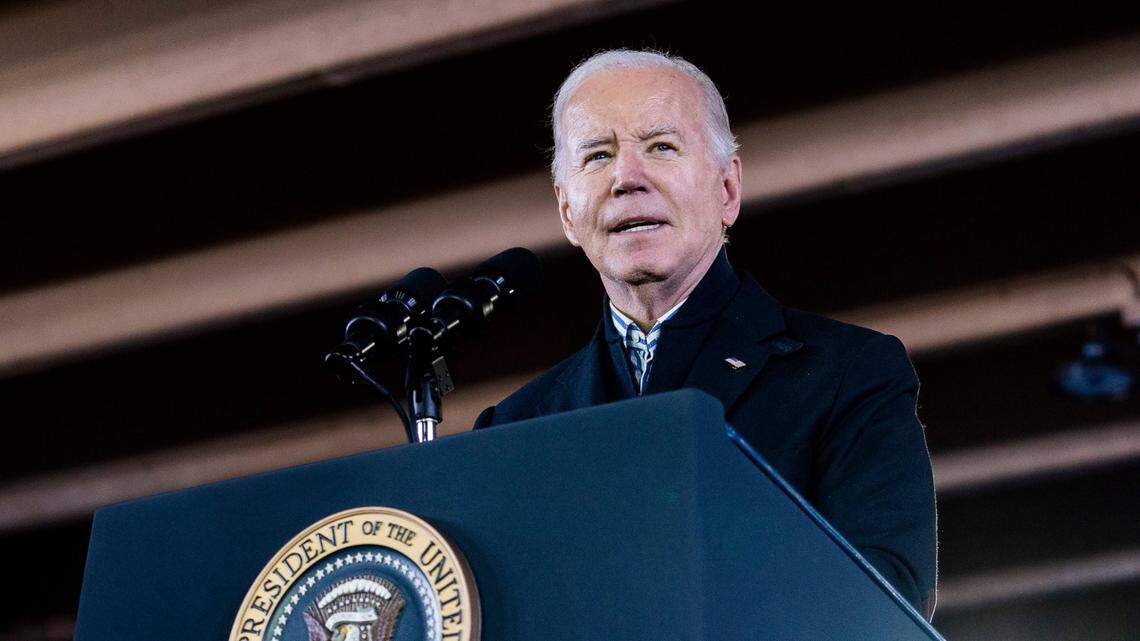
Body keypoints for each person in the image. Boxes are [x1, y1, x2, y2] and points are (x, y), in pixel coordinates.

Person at [473, 49, 937, 618]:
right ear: (568, 211)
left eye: (661, 147)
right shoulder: (513, 429)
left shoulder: (848, 373)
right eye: (597, 155)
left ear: (727, 190)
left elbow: (887, 596)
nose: (626, 179)